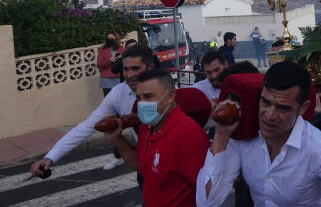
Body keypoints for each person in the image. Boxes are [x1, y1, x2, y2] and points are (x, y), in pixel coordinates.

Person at [196, 60, 321, 206]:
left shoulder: (319, 149)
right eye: (265, 102)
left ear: (303, 107)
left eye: (282, 108)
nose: (269, 115)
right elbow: (208, 202)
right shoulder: (245, 136)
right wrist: (221, 134)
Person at [30, 44, 156, 176]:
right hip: (145, 165)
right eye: (125, 69)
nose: (129, 75)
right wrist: (50, 158)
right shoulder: (118, 93)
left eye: (135, 69)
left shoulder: (167, 94)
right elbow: (87, 126)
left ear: (150, 68)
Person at [104, 68, 210, 207]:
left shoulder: (188, 134)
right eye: (138, 97)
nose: (141, 104)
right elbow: (141, 166)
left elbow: (208, 191)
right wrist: (117, 139)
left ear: (171, 96)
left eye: (148, 96)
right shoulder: (147, 127)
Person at [97, 32, 125, 96]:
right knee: (109, 101)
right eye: (108, 38)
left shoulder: (121, 48)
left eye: (112, 38)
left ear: (116, 39)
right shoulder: (102, 50)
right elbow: (99, 65)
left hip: (119, 78)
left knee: (120, 99)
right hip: (107, 80)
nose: (110, 39)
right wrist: (109, 61)